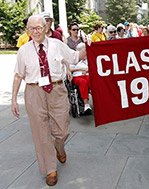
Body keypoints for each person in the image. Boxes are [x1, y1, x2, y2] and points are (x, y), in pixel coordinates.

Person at [11, 14, 86, 186]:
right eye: (31, 28)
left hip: (57, 90)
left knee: (62, 130)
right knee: (41, 133)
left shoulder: (57, 45)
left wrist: (88, 48)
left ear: (46, 27)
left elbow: (75, 58)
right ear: (28, 30)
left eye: (38, 27)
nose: (35, 31)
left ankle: (59, 147)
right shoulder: (24, 51)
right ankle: (50, 169)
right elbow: (18, 76)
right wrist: (14, 99)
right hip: (34, 92)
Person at [69, 43, 92, 115]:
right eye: (83, 52)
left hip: (87, 75)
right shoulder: (74, 60)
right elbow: (70, 69)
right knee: (83, 82)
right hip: (77, 77)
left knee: (91, 80)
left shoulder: (89, 59)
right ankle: (86, 105)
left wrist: (87, 70)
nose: (85, 54)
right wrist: (80, 69)